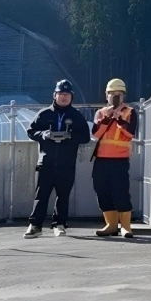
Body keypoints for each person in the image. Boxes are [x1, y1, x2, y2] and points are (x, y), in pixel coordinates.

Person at [24, 80, 91, 238]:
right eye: (61, 94)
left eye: (67, 95)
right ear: (55, 95)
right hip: (46, 162)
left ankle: (59, 224)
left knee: (63, 195)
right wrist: (44, 135)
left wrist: (70, 136)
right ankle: (35, 225)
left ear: (71, 97)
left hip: (66, 163)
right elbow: (31, 131)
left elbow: (85, 137)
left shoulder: (76, 116)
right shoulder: (44, 114)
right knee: (41, 195)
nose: (64, 97)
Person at [91, 78, 139, 238]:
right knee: (101, 190)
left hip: (119, 160)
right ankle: (111, 225)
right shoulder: (101, 113)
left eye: (118, 94)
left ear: (123, 96)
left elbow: (130, 133)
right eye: (111, 94)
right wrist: (107, 117)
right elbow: (95, 134)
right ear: (106, 95)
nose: (114, 97)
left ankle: (125, 226)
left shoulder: (130, 112)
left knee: (121, 192)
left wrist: (118, 118)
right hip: (101, 159)